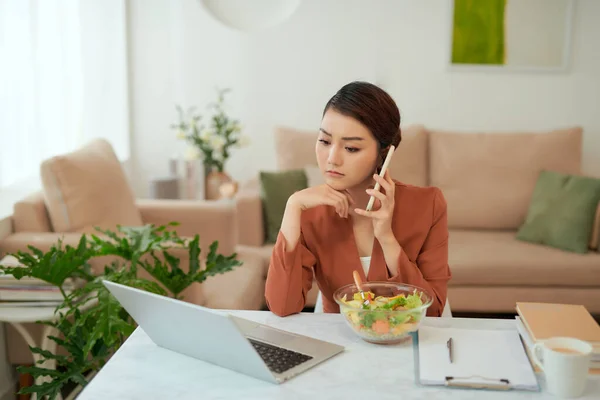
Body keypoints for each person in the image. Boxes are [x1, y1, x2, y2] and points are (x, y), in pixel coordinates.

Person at [265, 81, 451, 317]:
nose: (332, 158)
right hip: (341, 340)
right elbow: (282, 307)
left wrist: (386, 238)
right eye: (324, 141)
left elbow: (432, 311)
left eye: (351, 148)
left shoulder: (428, 205)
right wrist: (292, 206)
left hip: (412, 340)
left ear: (384, 152)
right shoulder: (308, 210)